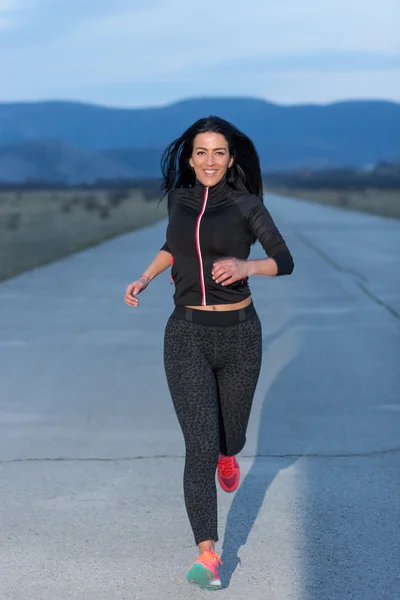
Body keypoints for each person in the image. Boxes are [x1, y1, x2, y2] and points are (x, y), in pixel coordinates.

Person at [124, 115, 294, 590]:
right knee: (198, 445)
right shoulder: (179, 200)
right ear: (190, 157)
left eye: (219, 152)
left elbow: (284, 260)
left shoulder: (247, 205)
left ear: (231, 158)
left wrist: (247, 265)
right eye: (201, 152)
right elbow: (174, 246)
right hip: (185, 335)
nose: (209, 161)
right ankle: (209, 554)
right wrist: (146, 275)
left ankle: (229, 452)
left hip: (240, 335)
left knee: (229, 434)